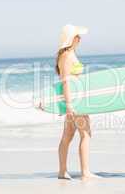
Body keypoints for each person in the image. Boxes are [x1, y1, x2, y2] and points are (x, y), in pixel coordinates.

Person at [55, 24, 95, 180]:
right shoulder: (66, 56)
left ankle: (62, 172)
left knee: (67, 136)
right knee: (86, 134)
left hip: (76, 99)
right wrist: (69, 105)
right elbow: (65, 81)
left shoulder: (70, 54)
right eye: (77, 36)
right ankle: (85, 172)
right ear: (70, 39)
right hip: (74, 101)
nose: (80, 38)